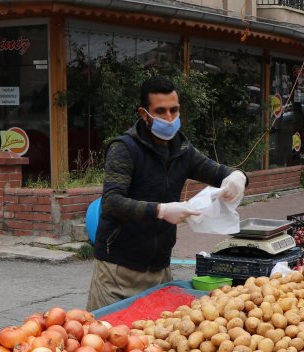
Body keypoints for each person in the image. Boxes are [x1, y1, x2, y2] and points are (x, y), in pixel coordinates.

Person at [87, 76, 247, 311]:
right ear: (144, 114)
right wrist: (160, 210)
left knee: (155, 343)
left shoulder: (182, 150)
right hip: (117, 271)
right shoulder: (124, 149)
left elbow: (218, 172)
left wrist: (238, 176)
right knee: (110, 339)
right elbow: (112, 202)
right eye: (161, 112)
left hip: (160, 268)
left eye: (174, 110)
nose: (170, 118)